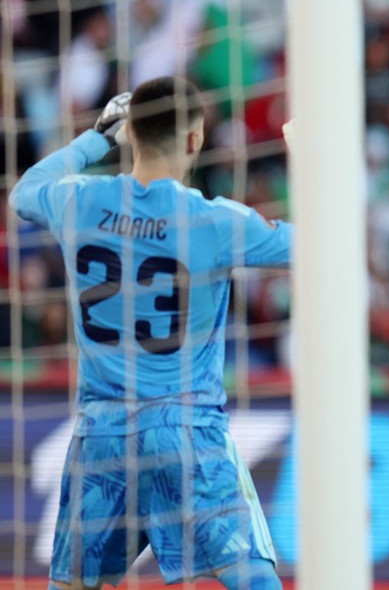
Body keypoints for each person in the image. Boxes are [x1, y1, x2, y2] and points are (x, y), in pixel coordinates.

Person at [10, 78, 289, 590]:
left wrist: (97, 137)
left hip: (103, 432)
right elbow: (317, 245)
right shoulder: (215, 220)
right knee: (252, 578)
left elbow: (24, 192)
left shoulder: (78, 200)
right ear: (194, 140)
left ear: (132, 134)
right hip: (186, 429)